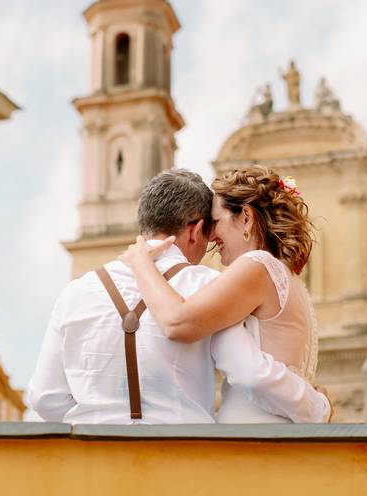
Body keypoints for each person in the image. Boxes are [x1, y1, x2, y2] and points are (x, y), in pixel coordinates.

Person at [27, 168, 329, 424]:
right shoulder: (206, 284)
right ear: (196, 230)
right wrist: (317, 404)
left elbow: (44, 397)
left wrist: (100, 423)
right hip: (184, 457)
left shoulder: (75, 292)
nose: (212, 239)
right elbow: (244, 367)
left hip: (93, 462)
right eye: (209, 227)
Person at [120, 165, 318, 423]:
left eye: (215, 221)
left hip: (252, 441)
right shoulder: (288, 279)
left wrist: (140, 262)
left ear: (245, 217)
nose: (211, 236)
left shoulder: (258, 265)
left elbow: (178, 321)